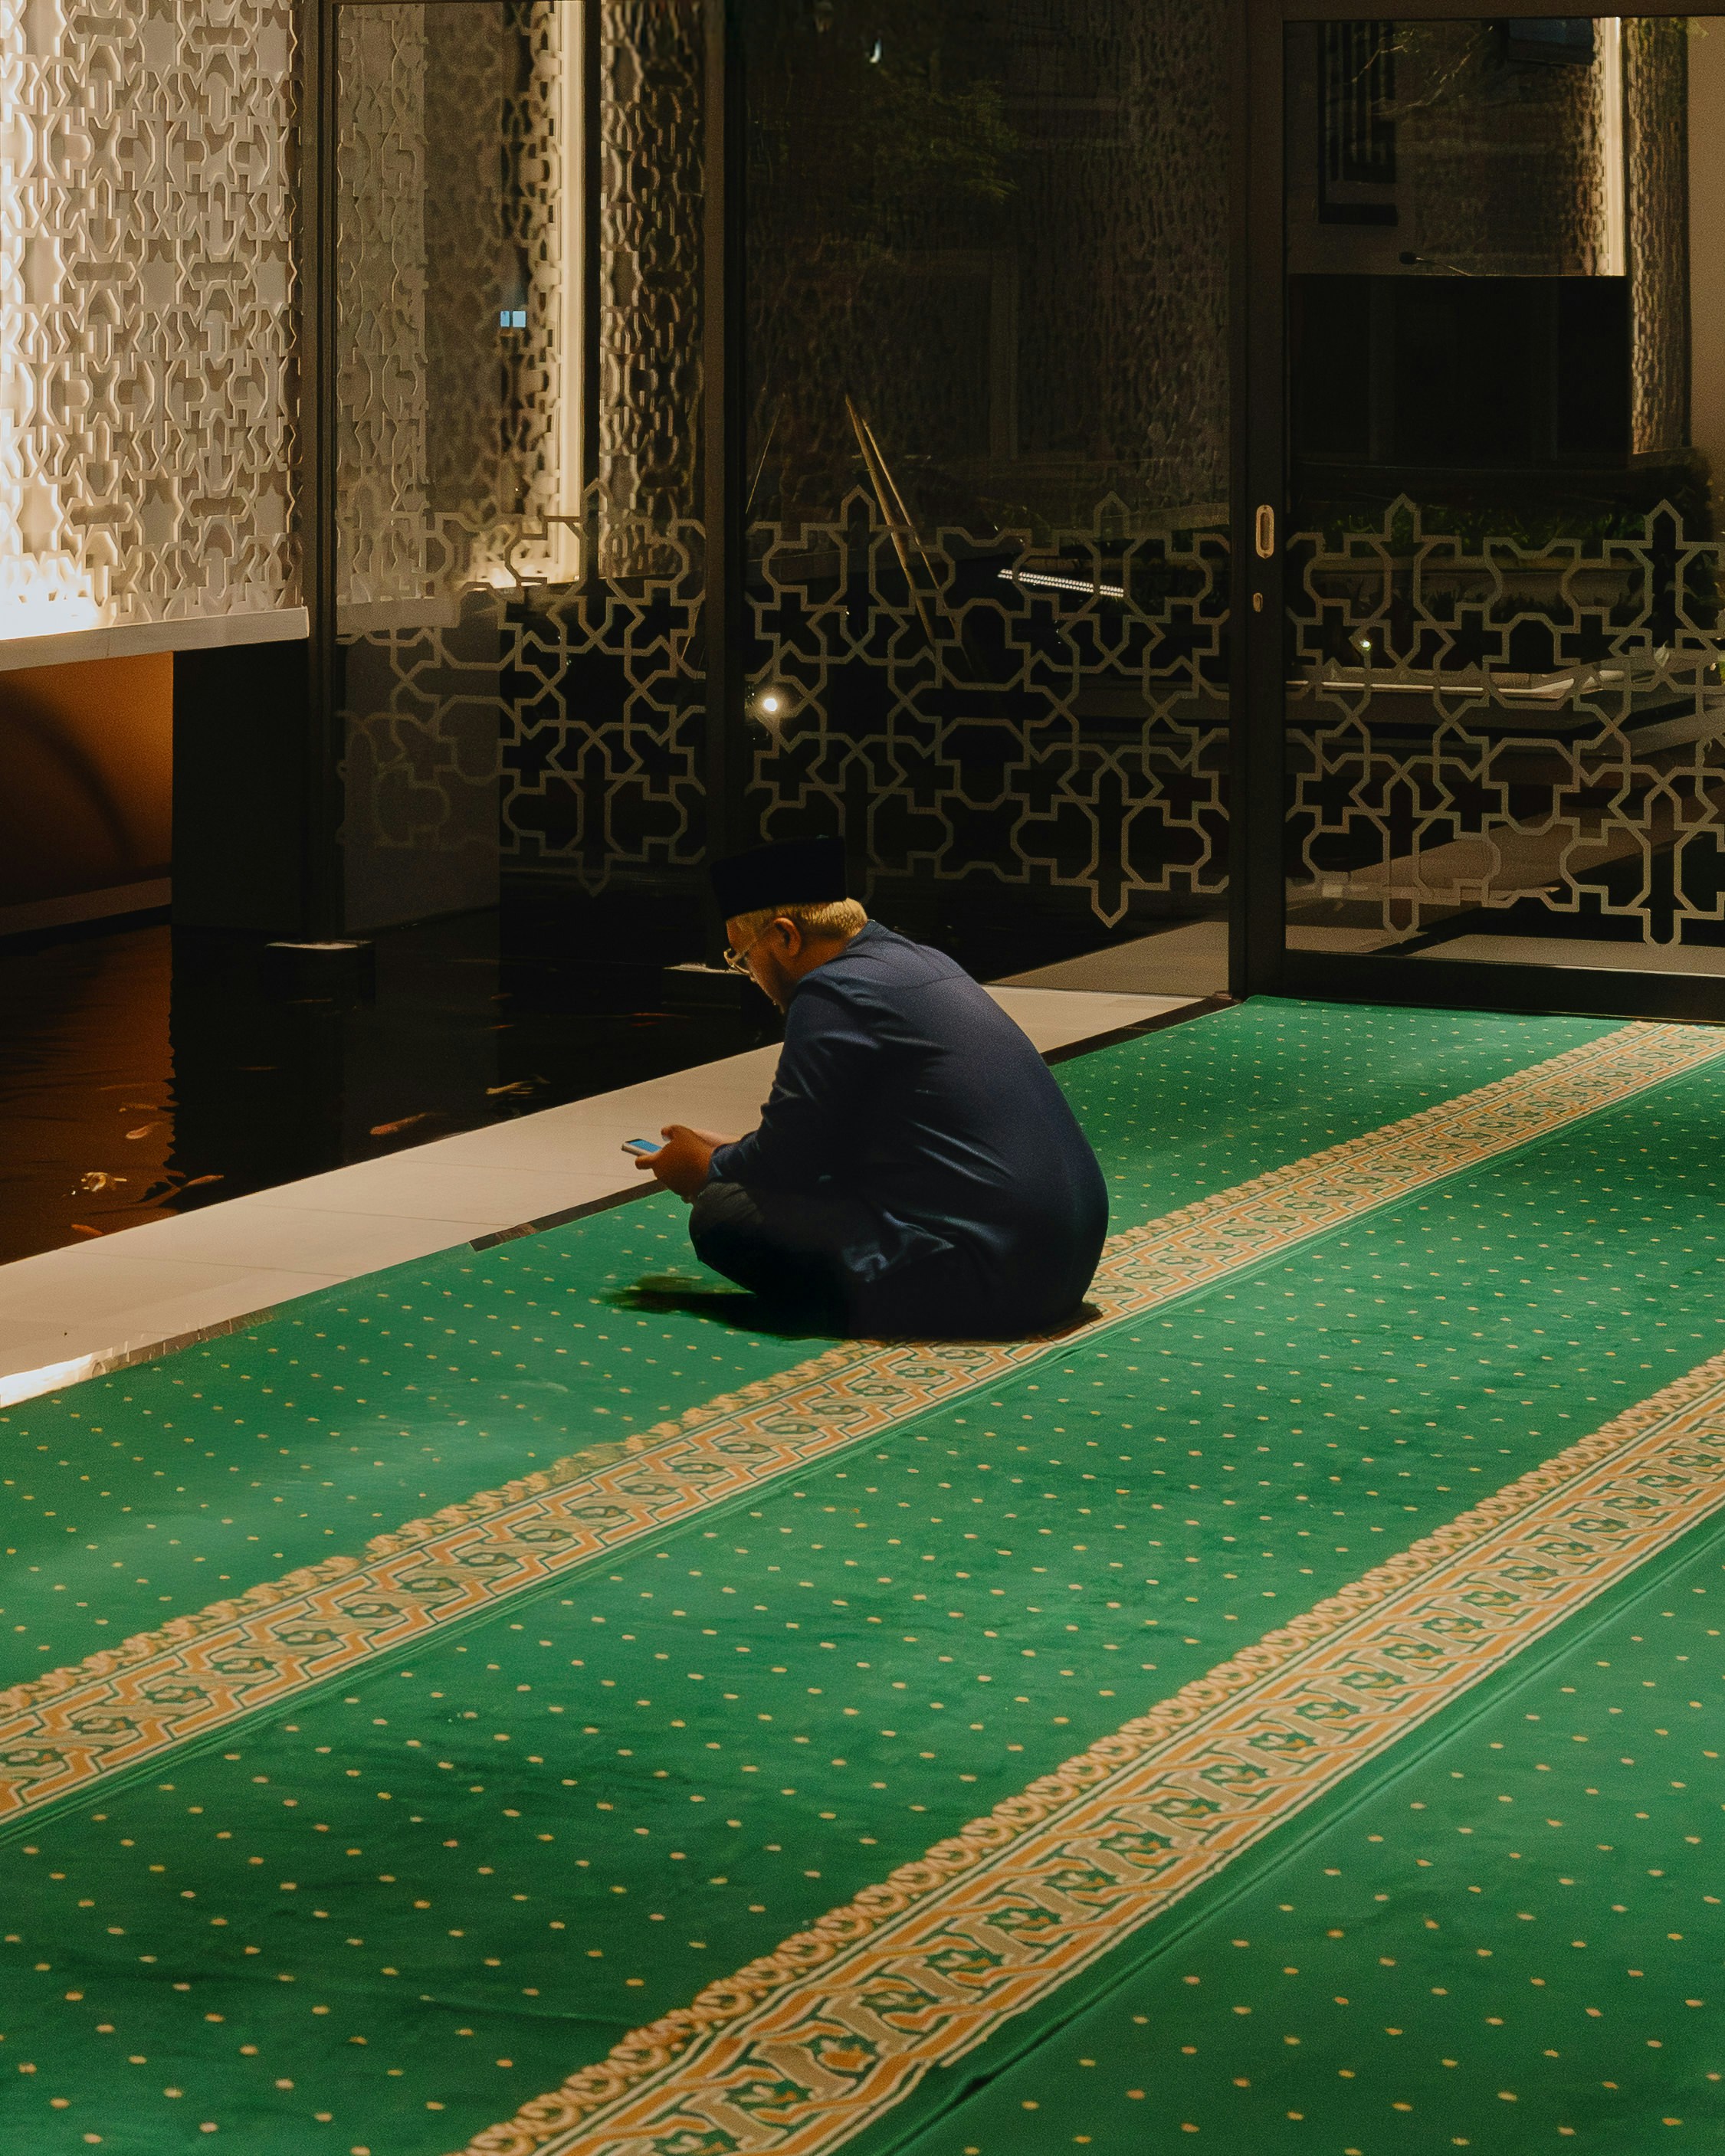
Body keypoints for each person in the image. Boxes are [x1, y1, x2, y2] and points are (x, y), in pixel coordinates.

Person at [635, 836, 1108, 1338]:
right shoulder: (919, 961)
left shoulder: (830, 990)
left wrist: (702, 1169)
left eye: (742, 956)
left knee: (722, 1214)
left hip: (994, 1279)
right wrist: (736, 1150)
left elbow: (788, 1163)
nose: (749, 975)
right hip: (1064, 1262)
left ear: (785, 938)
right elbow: (831, 1140)